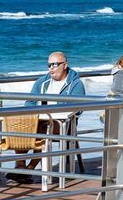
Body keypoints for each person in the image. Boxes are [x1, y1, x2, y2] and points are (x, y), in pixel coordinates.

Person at [15, 51, 87, 183]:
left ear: (64, 65)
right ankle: (20, 166)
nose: (51, 68)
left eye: (54, 65)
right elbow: (29, 102)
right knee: (21, 126)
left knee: (44, 129)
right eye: (49, 65)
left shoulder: (75, 84)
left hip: (64, 125)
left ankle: (30, 169)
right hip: (40, 121)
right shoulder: (42, 82)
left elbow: (78, 109)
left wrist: (57, 114)